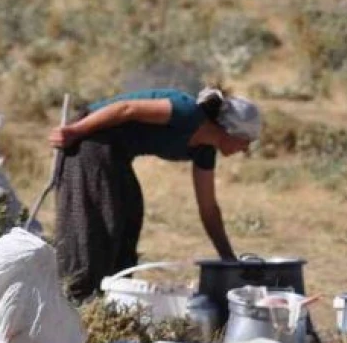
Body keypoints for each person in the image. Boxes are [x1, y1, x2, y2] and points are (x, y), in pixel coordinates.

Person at [48, 86, 261, 301]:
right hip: (89, 139)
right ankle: (78, 301)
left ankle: (112, 301)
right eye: (245, 142)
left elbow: (208, 208)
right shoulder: (187, 112)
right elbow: (126, 109)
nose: (244, 150)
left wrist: (228, 258)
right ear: (229, 130)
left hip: (116, 155)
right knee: (97, 224)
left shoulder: (204, 150)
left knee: (129, 218)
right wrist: (76, 131)